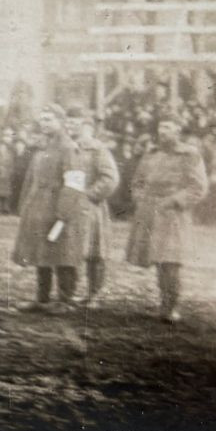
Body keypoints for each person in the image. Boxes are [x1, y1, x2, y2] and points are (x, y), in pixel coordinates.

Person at [123, 118, 209, 324]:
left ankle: (172, 306)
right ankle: (163, 302)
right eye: (161, 127)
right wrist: (140, 198)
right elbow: (137, 181)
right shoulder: (151, 153)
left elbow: (198, 187)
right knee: (157, 260)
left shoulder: (189, 154)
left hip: (173, 214)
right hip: (149, 211)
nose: (163, 131)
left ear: (178, 130)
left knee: (171, 261)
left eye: (168, 127)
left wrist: (174, 201)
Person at [12, 105, 90, 312]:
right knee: (41, 252)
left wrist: (63, 214)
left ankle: (65, 300)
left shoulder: (68, 147)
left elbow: (74, 183)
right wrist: (26, 205)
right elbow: (32, 180)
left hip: (59, 209)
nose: (44, 124)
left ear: (61, 121)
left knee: (64, 253)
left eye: (48, 119)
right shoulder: (44, 147)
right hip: (39, 207)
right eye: (42, 120)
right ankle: (42, 298)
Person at [65, 108, 120, 304]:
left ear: (86, 125)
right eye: (68, 122)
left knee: (95, 252)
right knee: (69, 249)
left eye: (75, 122)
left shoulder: (98, 149)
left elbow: (110, 178)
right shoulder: (67, 148)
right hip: (69, 206)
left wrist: (90, 195)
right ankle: (67, 294)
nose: (70, 125)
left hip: (91, 208)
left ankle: (93, 294)